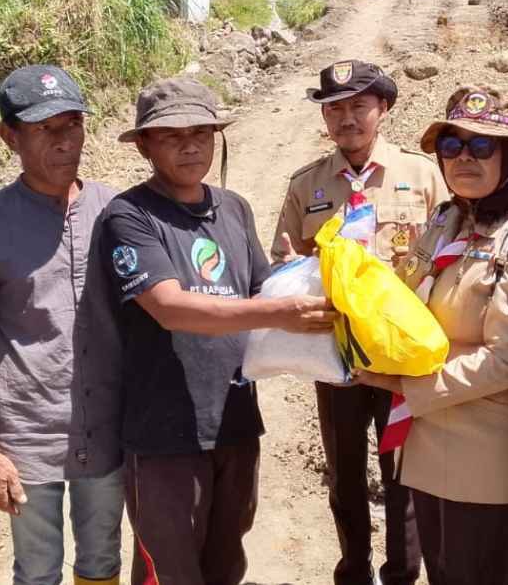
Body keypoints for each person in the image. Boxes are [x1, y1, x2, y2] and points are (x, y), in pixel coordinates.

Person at [102, 77, 335, 585]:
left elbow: (260, 287)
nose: (190, 144)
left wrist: (303, 276)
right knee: (170, 572)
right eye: (171, 135)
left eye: (202, 131)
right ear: (144, 144)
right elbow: (169, 308)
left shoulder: (233, 208)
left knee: (226, 564)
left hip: (234, 420)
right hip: (163, 433)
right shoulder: (129, 215)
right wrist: (276, 312)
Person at [355, 86, 508, 584]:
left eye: (482, 146)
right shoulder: (448, 220)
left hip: (487, 436)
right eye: (451, 147)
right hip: (430, 428)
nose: (463, 159)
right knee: (443, 570)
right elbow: (406, 295)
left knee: (475, 571)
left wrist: (400, 385)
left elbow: (507, 361)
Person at [272, 60, 447, 585]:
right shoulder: (307, 186)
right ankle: (353, 570)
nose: (346, 118)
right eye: (335, 108)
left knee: (404, 476)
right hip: (336, 358)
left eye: (358, 106)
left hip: (403, 356)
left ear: (383, 109)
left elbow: (451, 253)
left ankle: (401, 575)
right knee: (345, 474)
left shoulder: (424, 175)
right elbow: (286, 260)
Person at [0, 65, 124, 585]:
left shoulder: (114, 210)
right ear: (10, 136)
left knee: (101, 561)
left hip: (110, 428)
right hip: (27, 435)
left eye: (73, 123)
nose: (65, 139)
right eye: (46, 127)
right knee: (38, 567)